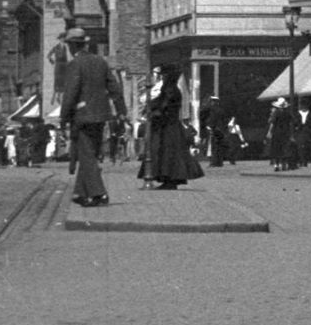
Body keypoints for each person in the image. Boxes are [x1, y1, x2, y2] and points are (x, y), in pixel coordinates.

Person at [52, 29, 124, 209]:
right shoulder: (100, 61)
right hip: (101, 115)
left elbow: (71, 93)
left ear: (71, 46)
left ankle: (99, 193)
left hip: (83, 116)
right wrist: (121, 110)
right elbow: (114, 87)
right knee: (90, 153)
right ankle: (82, 193)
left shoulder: (75, 64)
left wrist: (64, 117)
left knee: (86, 155)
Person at [140, 65, 202, 189]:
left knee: (168, 153)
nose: (162, 77)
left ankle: (170, 179)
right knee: (168, 153)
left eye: (164, 75)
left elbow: (164, 106)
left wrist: (153, 111)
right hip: (168, 125)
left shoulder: (170, 90)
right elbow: (159, 102)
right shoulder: (169, 89)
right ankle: (168, 179)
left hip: (168, 126)